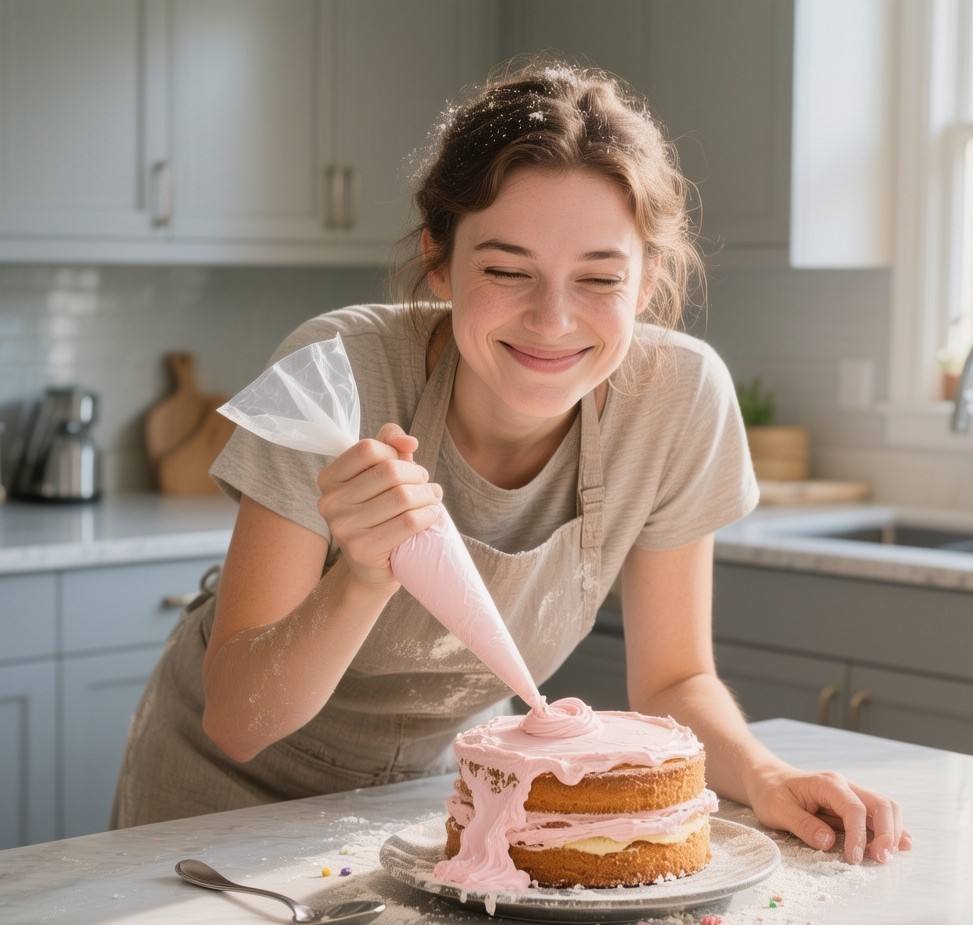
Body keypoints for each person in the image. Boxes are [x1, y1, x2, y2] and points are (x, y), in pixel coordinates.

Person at [111, 58, 910, 866]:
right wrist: (360, 577)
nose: (552, 320)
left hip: (432, 806)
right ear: (439, 259)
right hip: (219, 809)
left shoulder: (677, 400)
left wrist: (768, 777)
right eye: (505, 271)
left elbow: (672, 680)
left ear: (647, 282)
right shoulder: (338, 377)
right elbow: (239, 721)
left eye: (599, 277)